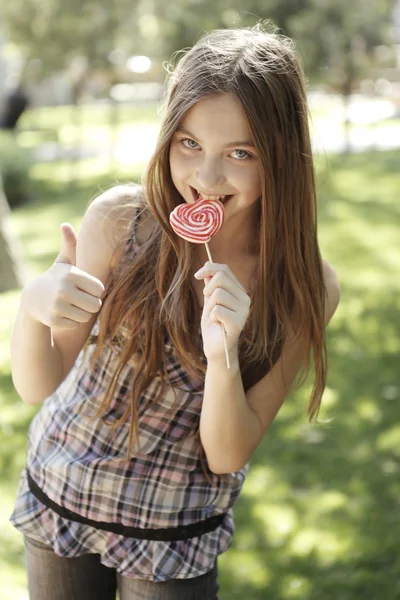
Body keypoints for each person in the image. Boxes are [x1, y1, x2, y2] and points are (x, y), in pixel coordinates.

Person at [9, 23, 340, 600]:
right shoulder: (121, 223)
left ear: (282, 158)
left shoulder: (302, 287)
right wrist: (35, 306)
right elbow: (40, 383)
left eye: (241, 153)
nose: (206, 178)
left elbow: (228, 452)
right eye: (190, 144)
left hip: (173, 528)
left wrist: (223, 355)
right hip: (64, 493)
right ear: (167, 137)